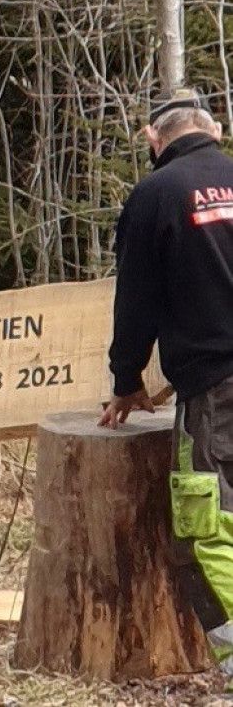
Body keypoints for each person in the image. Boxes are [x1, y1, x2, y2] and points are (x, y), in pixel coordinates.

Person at [99, 88, 233, 685]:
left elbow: (137, 303)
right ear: (217, 130)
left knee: (207, 537)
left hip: (215, 392)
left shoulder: (156, 195)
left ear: (155, 140)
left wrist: (127, 380)